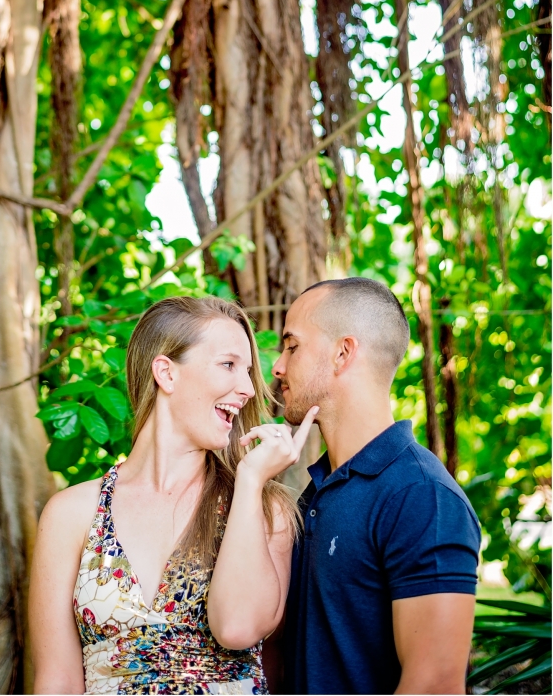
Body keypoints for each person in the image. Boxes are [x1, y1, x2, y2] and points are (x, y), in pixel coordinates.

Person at [28, 295, 319, 694]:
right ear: (166, 373)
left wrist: (250, 481)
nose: (249, 388)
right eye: (229, 365)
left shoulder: (265, 509)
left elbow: (239, 627)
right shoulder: (71, 514)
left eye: (249, 371)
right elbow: (55, 682)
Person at [274, 277, 481, 696]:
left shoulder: (422, 497)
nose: (277, 366)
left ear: (342, 353)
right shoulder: (313, 492)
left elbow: (435, 685)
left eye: (292, 346)